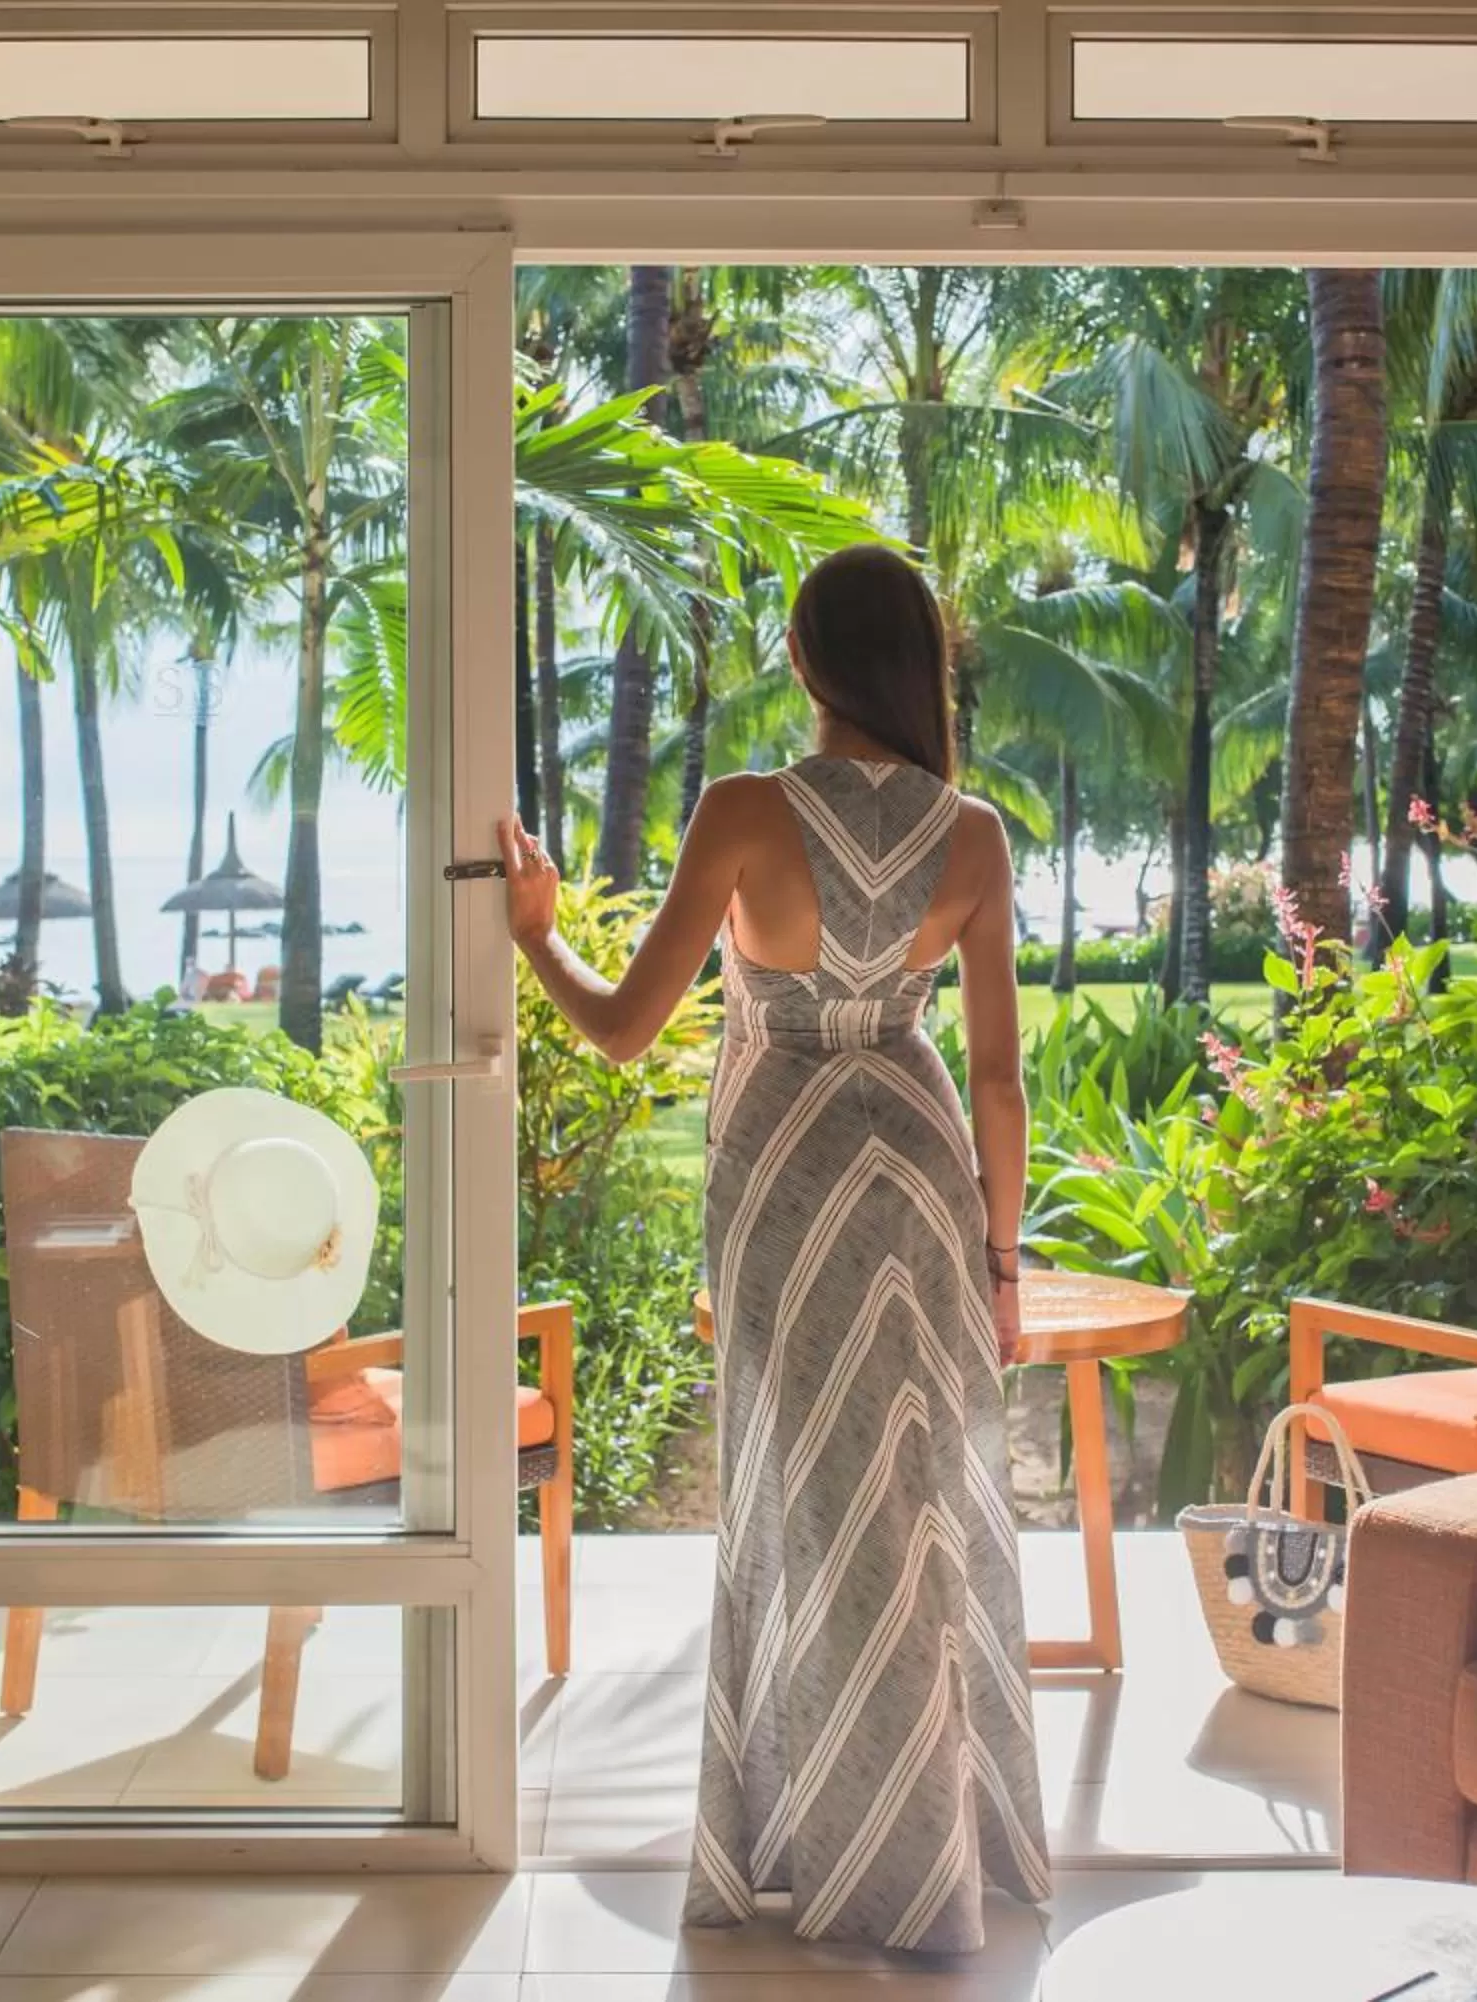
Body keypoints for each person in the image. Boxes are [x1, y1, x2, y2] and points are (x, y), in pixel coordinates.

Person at [498, 543, 1050, 1952]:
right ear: (917, 665)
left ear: (805, 660)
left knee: (800, 1504)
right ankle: (927, 1848)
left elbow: (625, 1027)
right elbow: (999, 1083)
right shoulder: (973, 834)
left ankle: (815, 1837)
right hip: (918, 1175)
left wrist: (535, 938)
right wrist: (1003, 1266)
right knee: (915, 1506)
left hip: (783, 1186)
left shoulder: (747, 811)